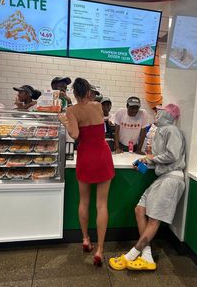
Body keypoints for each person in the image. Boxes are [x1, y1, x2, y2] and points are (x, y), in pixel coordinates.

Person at [109, 103, 186, 271]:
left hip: (172, 179)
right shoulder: (161, 131)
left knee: (154, 220)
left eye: (160, 112)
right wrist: (148, 160)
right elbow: (161, 156)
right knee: (139, 210)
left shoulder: (171, 130)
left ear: (168, 115)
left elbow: (173, 155)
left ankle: (131, 255)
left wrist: (151, 158)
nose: (156, 114)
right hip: (162, 178)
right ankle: (147, 255)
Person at [59, 78, 115, 266]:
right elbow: (87, 107)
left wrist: (64, 121)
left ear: (74, 93)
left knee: (84, 201)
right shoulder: (98, 106)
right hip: (102, 155)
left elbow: (75, 135)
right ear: (89, 93)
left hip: (86, 156)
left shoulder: (71, 111)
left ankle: (85, 239)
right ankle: (99, 249)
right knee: (102, 205)